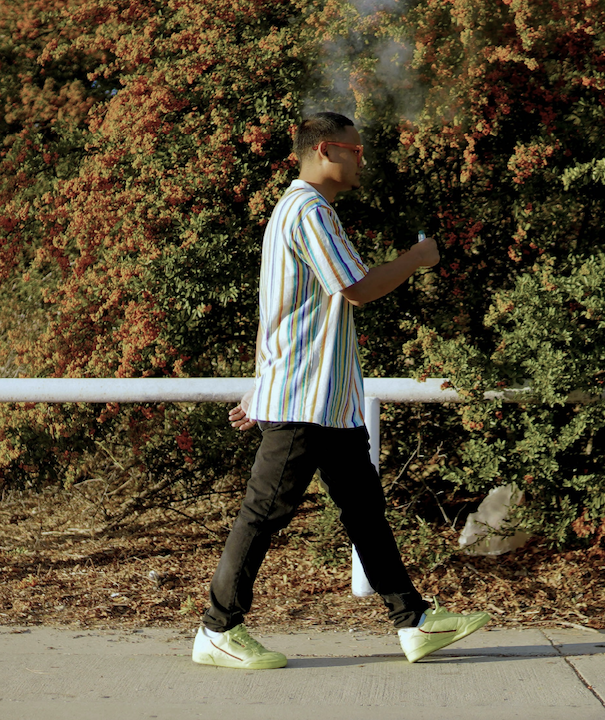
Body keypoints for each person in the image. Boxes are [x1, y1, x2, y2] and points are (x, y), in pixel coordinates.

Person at [192, 111, 490, 669]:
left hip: (327, 399)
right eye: (355, 151)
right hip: (305, 397)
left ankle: (414, 621)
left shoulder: (305, 209)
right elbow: (356, 290)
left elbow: (274, 313)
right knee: (264, 512)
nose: (362, 161)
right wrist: (416, 260)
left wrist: (259, 387)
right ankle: (216, 629)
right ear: (327, 150)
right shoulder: (308, 209)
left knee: (364, 511)